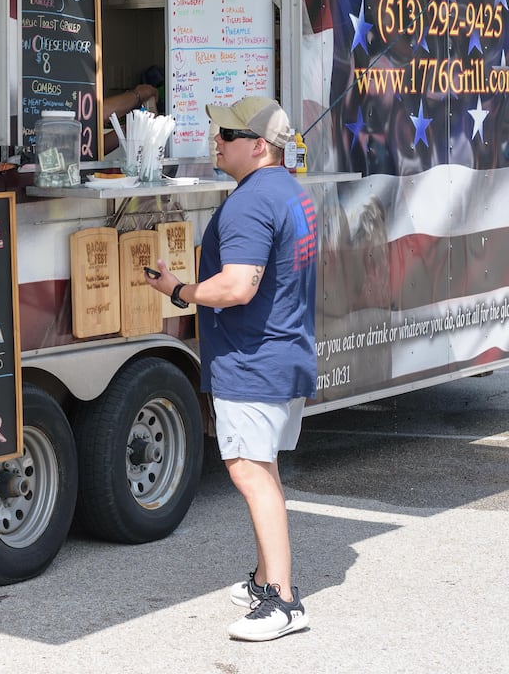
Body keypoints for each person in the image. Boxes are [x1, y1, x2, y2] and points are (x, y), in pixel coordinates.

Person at [142, 95, 318, 642]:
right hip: (283, 353)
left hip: (252, 359)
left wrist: (179, 290)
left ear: (259, 146)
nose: (214, 141)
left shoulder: (248, 204)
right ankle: (267, 578)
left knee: (248, 472)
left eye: (225, 135)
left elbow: (238, 285)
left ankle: (282, 602)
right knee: (262, 469)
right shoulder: (292, 193)